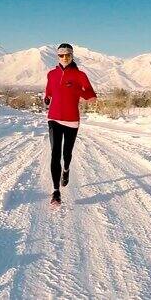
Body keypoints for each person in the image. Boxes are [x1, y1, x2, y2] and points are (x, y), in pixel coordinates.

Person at [43, 43, 97, 204]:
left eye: (68, 54)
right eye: (61, 55)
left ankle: (66, 169)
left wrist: (82, 93)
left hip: (72, 120)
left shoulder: (80, 75)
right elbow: (49, 91)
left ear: (72, 55)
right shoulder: (51, 74)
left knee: (67, 154)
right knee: (55, 153)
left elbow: (90, 92)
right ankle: (56, 192)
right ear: (57, 56)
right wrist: (47, 98)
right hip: (54, 118)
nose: (65, 57)